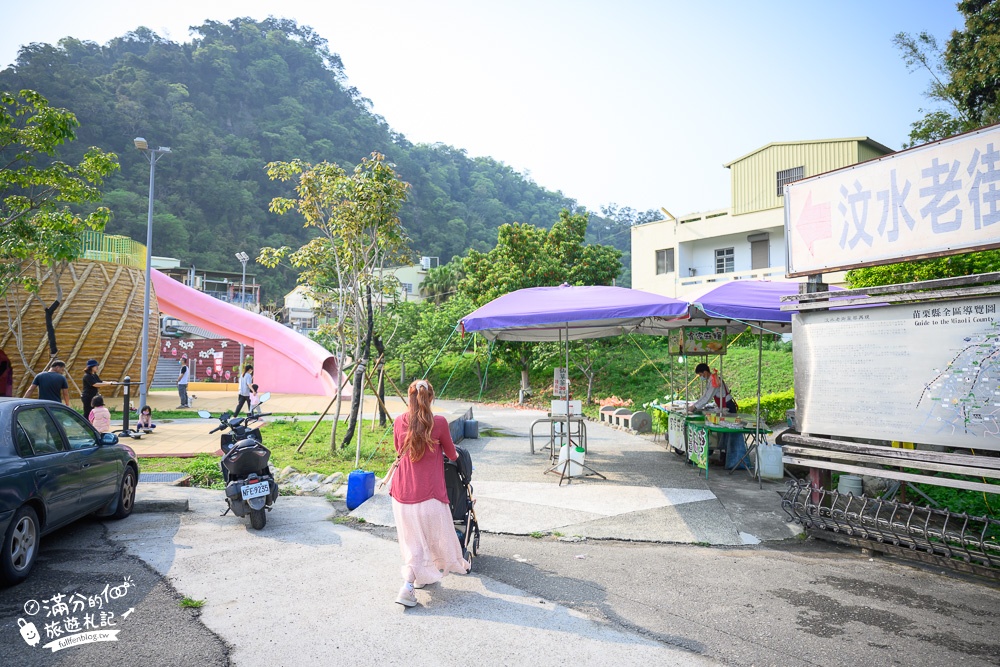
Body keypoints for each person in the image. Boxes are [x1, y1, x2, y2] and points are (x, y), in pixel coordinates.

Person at [389, 379, 470, 608]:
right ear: (431, 398)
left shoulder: (398, 422)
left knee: (412, 541)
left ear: (409, 398)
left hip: (402, 494)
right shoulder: (440, 423)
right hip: (430, 496)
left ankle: (420, 576)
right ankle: (407, 586)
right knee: (428, 539)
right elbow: (453, 455)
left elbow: (399, 450)